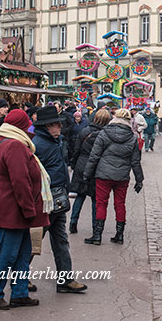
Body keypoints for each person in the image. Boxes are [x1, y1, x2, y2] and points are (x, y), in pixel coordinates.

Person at [0, 110, 50, 310]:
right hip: (12, 209)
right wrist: (29, 209)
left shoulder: (4, 140)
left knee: (22, 253)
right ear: (21, 126)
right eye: (28, 123)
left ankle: (20, 293)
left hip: (9, 208)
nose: (30, 127)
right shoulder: (15, 145)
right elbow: (20, 181)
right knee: (8, 254)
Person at [29, 106, 87, 293]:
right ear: (47, 126)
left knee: (60, 240)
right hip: (47, 200)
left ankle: (65, 279)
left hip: (58, 198)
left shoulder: (53, 141)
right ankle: (19, 277)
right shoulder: (39, 144)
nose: (60, 127)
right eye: (56, 124)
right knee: (34, 241)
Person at [82, 108, 143, 245]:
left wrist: (87, 174)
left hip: (103, 175)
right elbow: (135, 161)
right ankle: (119, 235)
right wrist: (139, 180)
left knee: (101, 204)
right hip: (122, 176)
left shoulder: (104, 133)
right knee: (120, 204)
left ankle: (97, 236)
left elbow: (94, 156)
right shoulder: (132, 137)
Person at [68, 108, 110, 235]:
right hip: (96, 166)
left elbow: (77, 150)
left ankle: (73, 222)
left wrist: (74, 164)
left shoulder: (84, 131)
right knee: (95, 198)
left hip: (82, 163)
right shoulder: (105, 134)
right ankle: (95, 226)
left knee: (80, 196)